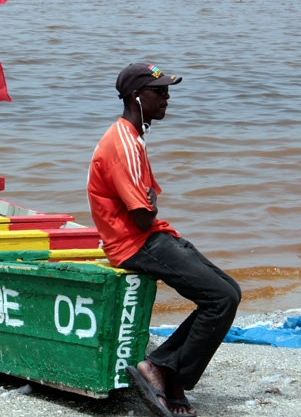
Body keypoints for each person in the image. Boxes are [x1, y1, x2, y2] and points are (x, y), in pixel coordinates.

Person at [87, 63, 241, 417]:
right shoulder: (123, 144)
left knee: (228, 293)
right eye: (159, 92)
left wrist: (149, 205)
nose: (167, 98)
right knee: (219, 299)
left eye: (168, 91)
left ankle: (168, 369)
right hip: (134, 243)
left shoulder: (133, 137)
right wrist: (149, 206)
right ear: (136, 97)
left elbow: (148, 202)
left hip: (151, 235)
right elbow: (143, 215)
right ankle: (163, 372)